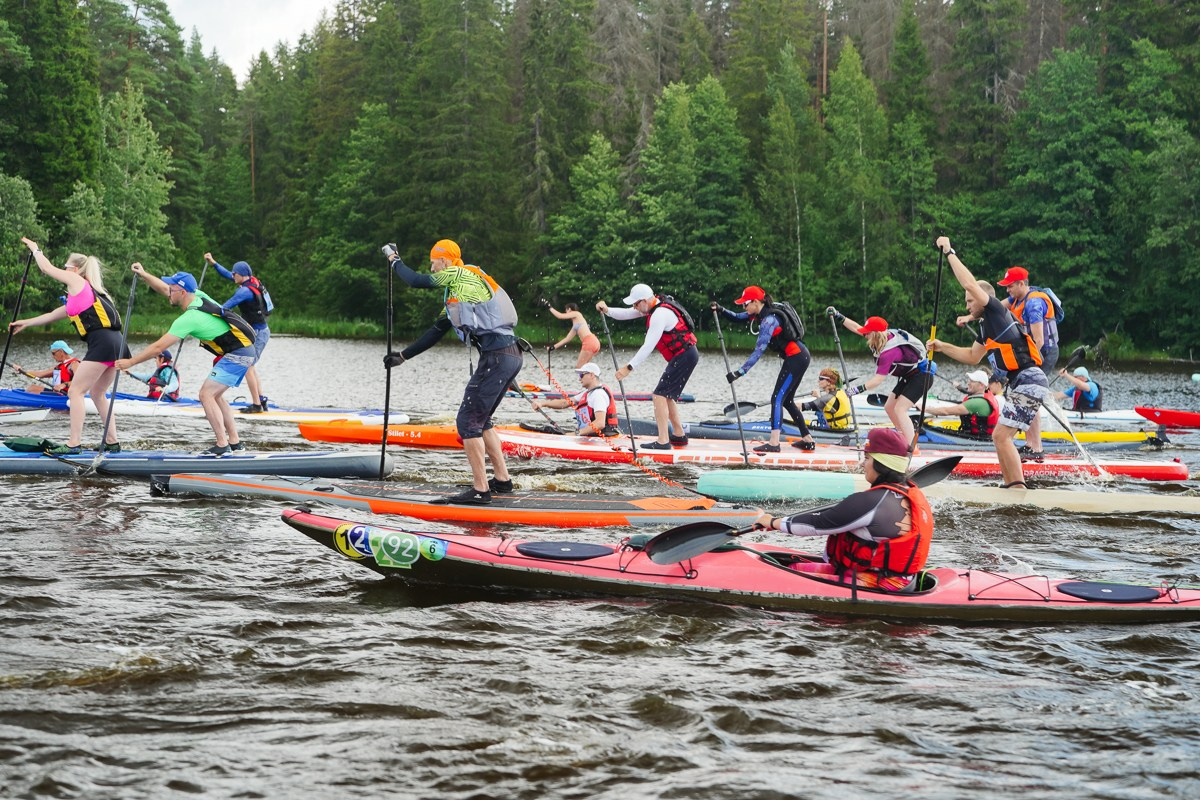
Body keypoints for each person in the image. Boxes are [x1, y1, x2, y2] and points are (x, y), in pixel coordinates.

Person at [383, 239, 522, 504]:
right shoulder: (462, 289)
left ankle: (481, 490)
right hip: (508, 355)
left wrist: (394, 260)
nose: (432, 268)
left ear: (445, 261)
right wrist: (403, 356)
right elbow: (437, 330)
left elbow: (414, 280)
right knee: (482, 422)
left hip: (497, 357)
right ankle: (502, 482)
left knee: (467, 422)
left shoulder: (459, 273)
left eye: (433, 262)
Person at [926, 236, 1049, 489]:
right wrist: (942, 347)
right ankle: (1011, 485)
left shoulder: (995, 310)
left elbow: (970, 283)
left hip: (1030, 380)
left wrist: (949, 252)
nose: (967, 305)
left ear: (982, 298)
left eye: (970, 301)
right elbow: (972, 357)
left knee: (1001, 436)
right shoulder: (986, 327)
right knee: (999, 437)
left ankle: (1016, 487)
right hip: (1022, 384)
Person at [753, 427, 932, 592]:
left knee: (782, 579)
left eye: (867, 458)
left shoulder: (871, 501)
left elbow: (818, 524)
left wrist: (772, 522)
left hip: (881, 584)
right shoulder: (911, 493)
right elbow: (830, 517)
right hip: (903, 580)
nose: (863, 464)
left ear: (881, 463)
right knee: (793, 568)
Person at [116, 266, 257, 455]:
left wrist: (130, 363)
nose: (168, 293)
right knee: (215, 396)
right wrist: (143, 274)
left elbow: (158, 348)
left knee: (206, 395)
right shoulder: (198, 295)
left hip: (237, 353)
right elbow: (163, 287)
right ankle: (235, 443)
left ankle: (222, 445)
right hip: (240, 351)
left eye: (171, 290)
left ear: (182, 292)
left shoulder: (189, 318)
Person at [8, 238, 128, 454]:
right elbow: (54, 314)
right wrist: (26, 323)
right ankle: (112, 442)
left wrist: (35, 249)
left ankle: (74, 444)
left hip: (102, 343)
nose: (63, 271)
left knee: (75, 392)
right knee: (99, 393)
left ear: (73, 269)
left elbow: (45, 267)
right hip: (117, 343)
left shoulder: (77, 281)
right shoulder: (87, 292)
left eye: (65, 267)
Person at [596, 283, 699, 450]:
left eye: (636, 304)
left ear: (644, 300)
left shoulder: (660, 314)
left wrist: (628, 367)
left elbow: (648, 345)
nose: (635, 307)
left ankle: (663, 441)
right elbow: (626, 314)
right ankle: (679, 436)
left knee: (658, 395)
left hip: (685, 356)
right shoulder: (653, 307)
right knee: (667, 396)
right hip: (686, 355)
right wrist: (607, 310)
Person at [713, 285, 815, 452]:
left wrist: (740, 372)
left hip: (796, 358)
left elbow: (758, 351)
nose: (743, 307)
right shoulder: (762, 312)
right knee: (787, 401)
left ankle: (774, 443)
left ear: (755, 302)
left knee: (777, 398)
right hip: (799, 356)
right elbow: (738, 317)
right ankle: (808, 439)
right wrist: (721, 310)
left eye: (745, 304)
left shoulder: (769, 321)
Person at [828, 309, 933, 447]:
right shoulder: (880, 337)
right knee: (889, 407)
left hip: (922, 376)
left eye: (868, 333)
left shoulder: (889, 352)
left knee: (900, 409)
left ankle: (911, 448)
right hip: (909, 376)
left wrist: (855, 390)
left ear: (875, 334)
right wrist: (838, 316)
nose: (865, 335)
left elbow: (877, 380)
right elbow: (857, 328)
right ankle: (903, 439)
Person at [205, 252, 273, 413]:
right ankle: (261, 400)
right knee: (251, 366)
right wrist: (213, 263)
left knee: (247, 365)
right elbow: (226, 273)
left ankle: (256, 405)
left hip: (258, 333)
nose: (232, 275)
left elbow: (225, 308)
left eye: (234, 273)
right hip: (257, 332)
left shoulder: (244, 292)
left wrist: (205, 311)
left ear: (241, 275)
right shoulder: (250, 281)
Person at [530, 362, 620, 436]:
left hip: (604, 436)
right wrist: (542, 404)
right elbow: (565, 403)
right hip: (591, 435)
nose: (579, 379)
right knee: (549, 430)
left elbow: (600, 423)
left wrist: (576, 434)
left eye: (581, 375)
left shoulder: (598, 395)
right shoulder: (588, 393)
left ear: (592, 375)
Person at [922, 369, 999, 439]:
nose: (968, 383)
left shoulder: (977, 403)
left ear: (982, 385)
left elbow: (946, 411)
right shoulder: (982, 396)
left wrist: (925, 409)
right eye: (969, 380)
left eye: (972, 381)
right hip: (976, 436)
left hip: (976, 438)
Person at [544, 302, 601, 368]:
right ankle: (591, 378)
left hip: (589, 342)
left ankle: (587, 378)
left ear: (569, 309)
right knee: (585, 368)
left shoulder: (577, 314)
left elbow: (560, 316)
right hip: (594, 342)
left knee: (579, 368)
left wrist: (550, 307)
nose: (565, 312)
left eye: (566, 310)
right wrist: (553, 347)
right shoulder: (575, 325)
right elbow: (567, 339)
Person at [10, 340, 79, 395]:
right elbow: (40, 374)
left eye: (53, 353)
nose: (53, 356)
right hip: (57, 394)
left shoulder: (74, 364)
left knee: (32, 390)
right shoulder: (59, 366)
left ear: (61, 351)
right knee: (32, 387)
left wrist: (64, 385)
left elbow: (80, 381)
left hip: (68, 395)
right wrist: (21, 371)